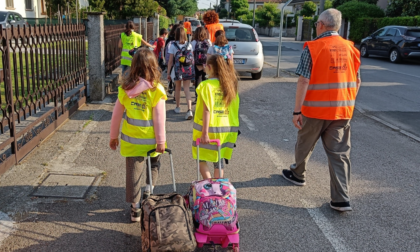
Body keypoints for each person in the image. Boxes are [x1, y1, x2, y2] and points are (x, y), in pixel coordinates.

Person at [281, 9, 361, 212]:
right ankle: (341, 199)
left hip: (315, 110)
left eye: (317, 23)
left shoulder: (314, 47)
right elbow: (357, 80)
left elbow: (304, 80)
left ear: (321, 25)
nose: (316, 26)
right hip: (342, 112)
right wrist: (348, 103)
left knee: (304, 144)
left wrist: (297, 111)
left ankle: (298, 174)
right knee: (339, 154)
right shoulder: (351, 48)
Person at [109, 48, 167, 222]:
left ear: (133, 67)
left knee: (133, 172)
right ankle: (149, 191)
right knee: (154, 164)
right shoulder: (156, 90)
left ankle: (135, 209)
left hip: (132, 141)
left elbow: (116, 115)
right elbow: (159, 119)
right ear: (153, 67)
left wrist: (113, 136)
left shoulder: (125, 89)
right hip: (151, 141)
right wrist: (161, 141)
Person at [192, 54, 240, 179]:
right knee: (219, 159)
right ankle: (218, 187)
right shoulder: (229, 86)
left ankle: (209, 185)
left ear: (209, 67)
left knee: (201, 158)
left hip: (209, 129)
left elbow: (206, 110)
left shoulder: (206, 86)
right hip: (226, 131)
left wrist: (205, 133)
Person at [167, 27, 195, 120]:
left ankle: (178, 107)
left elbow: (170, 61)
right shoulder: (189, 45)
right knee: (187, 89)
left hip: (177, 70)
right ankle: (189, 109)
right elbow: (192, 59)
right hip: (187, 69)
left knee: (177, 89)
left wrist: (168, 73)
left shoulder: (173, 45)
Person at [192, 27, 212, 103]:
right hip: (206, 63)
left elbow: (192, 53)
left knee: (198, 79)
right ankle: (205, 97)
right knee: (205, 79)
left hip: (197, 63)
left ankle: (197, 97)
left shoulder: (194, 42)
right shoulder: (208, 42)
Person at [164, 24, 180, 95]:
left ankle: (170, 85)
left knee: (170, 73)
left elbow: (165, 49)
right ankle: (175, 94)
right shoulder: (181, 39)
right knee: (177, 76)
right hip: (178, 60)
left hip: (169, 59)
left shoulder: (169, 39)